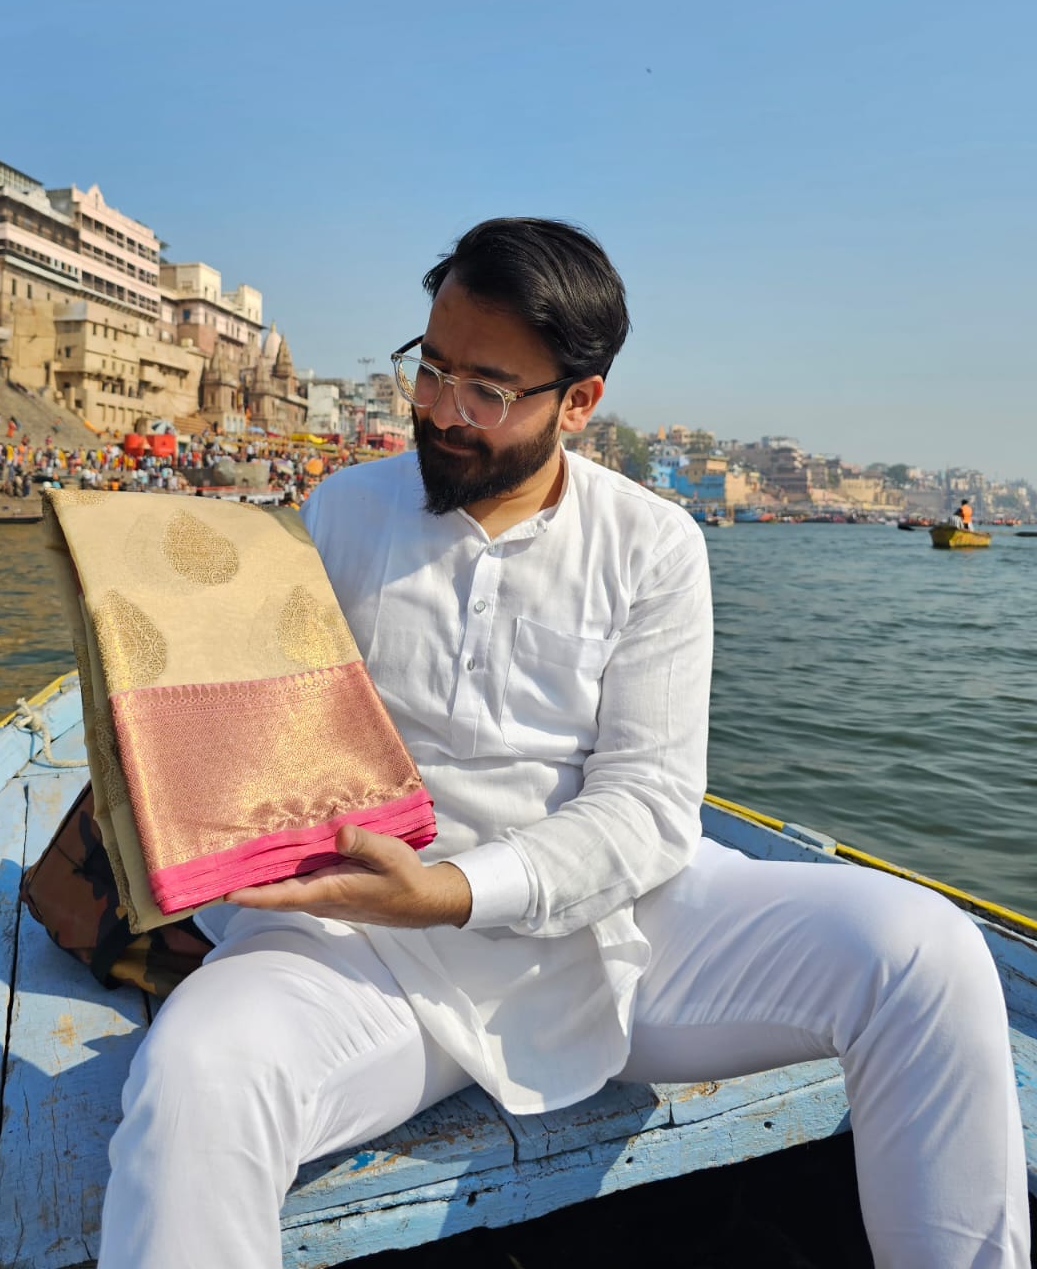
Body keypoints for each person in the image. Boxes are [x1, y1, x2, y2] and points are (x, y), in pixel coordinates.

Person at [99, 219, 1027, 1269]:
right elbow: (273, 741)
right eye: (432, 369)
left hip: (616, 941)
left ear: (579, 402)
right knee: (197, 1074)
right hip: (370, 956)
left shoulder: (654, 544)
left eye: (486, 391)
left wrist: (453, 891)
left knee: (926, 952)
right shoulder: (338, 515)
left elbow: (646, 810)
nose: (443, 413)